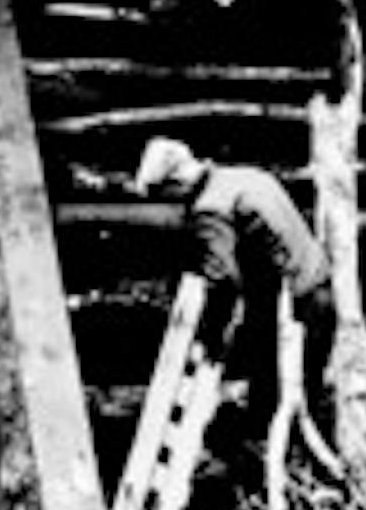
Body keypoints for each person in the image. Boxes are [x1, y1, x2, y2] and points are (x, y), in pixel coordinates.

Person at [133, 135, 335, 432]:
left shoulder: (210, 207)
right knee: (299, 391)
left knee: (283, 401)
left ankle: (269, 459)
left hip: (296, 304)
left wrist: (209, 337)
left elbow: (223, 277)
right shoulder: (244, 177)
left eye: (166, 193)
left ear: (176, 183)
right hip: (317, 283)